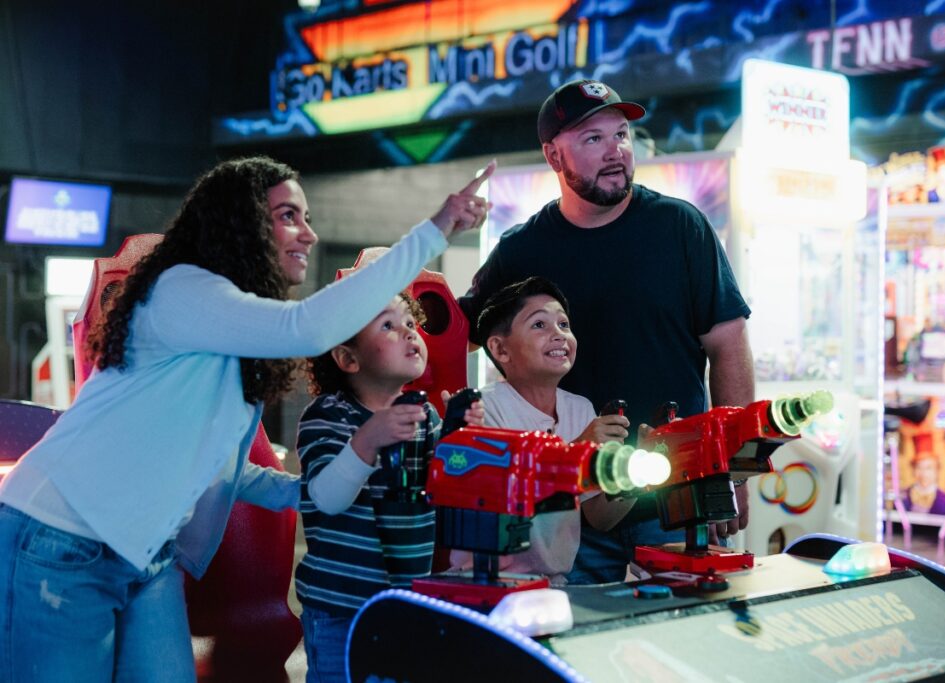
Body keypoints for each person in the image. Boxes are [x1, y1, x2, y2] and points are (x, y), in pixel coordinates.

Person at [0, 155, 494, 682]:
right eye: (288, 216)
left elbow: (219, 471)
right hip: (60, 535)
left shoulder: (227, 332)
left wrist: (310, 489)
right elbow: (308, 327)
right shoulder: (180, 288)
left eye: (306, 218)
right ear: (239, 224)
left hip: (145, 553)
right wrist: (436, 229)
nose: (308, 234)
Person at [459, 79, 754, 584]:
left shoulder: (680, 227)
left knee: (689, 631)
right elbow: (457, 332)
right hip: (572, 508)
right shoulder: (522, 248)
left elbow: (729, 347)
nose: (615, 151)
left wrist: (734, 468)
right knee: (573, 633)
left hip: (677, 497)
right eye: (593, 139)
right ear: (554, 156)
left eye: (621, 135)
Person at [295, 289, 485, 681]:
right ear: (348, 358)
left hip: (403, 602)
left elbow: (445, 490)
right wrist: (367, 440)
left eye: (411, 323)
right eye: (388, 326)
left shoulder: (425, 415)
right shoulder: (329, 414)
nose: (409, 332)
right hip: (340, 609)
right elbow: (326, 498)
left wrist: (461, 437)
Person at [449, 277, 631, 584]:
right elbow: (504, 501)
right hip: (487, 581)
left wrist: (631, 479)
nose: (559, 335)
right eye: (539, 325)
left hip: (555, 583)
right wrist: (575, 451)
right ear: (500, 349)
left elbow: (599, 517)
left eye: (563, 324)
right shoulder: (481, 409)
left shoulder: (580, 409)